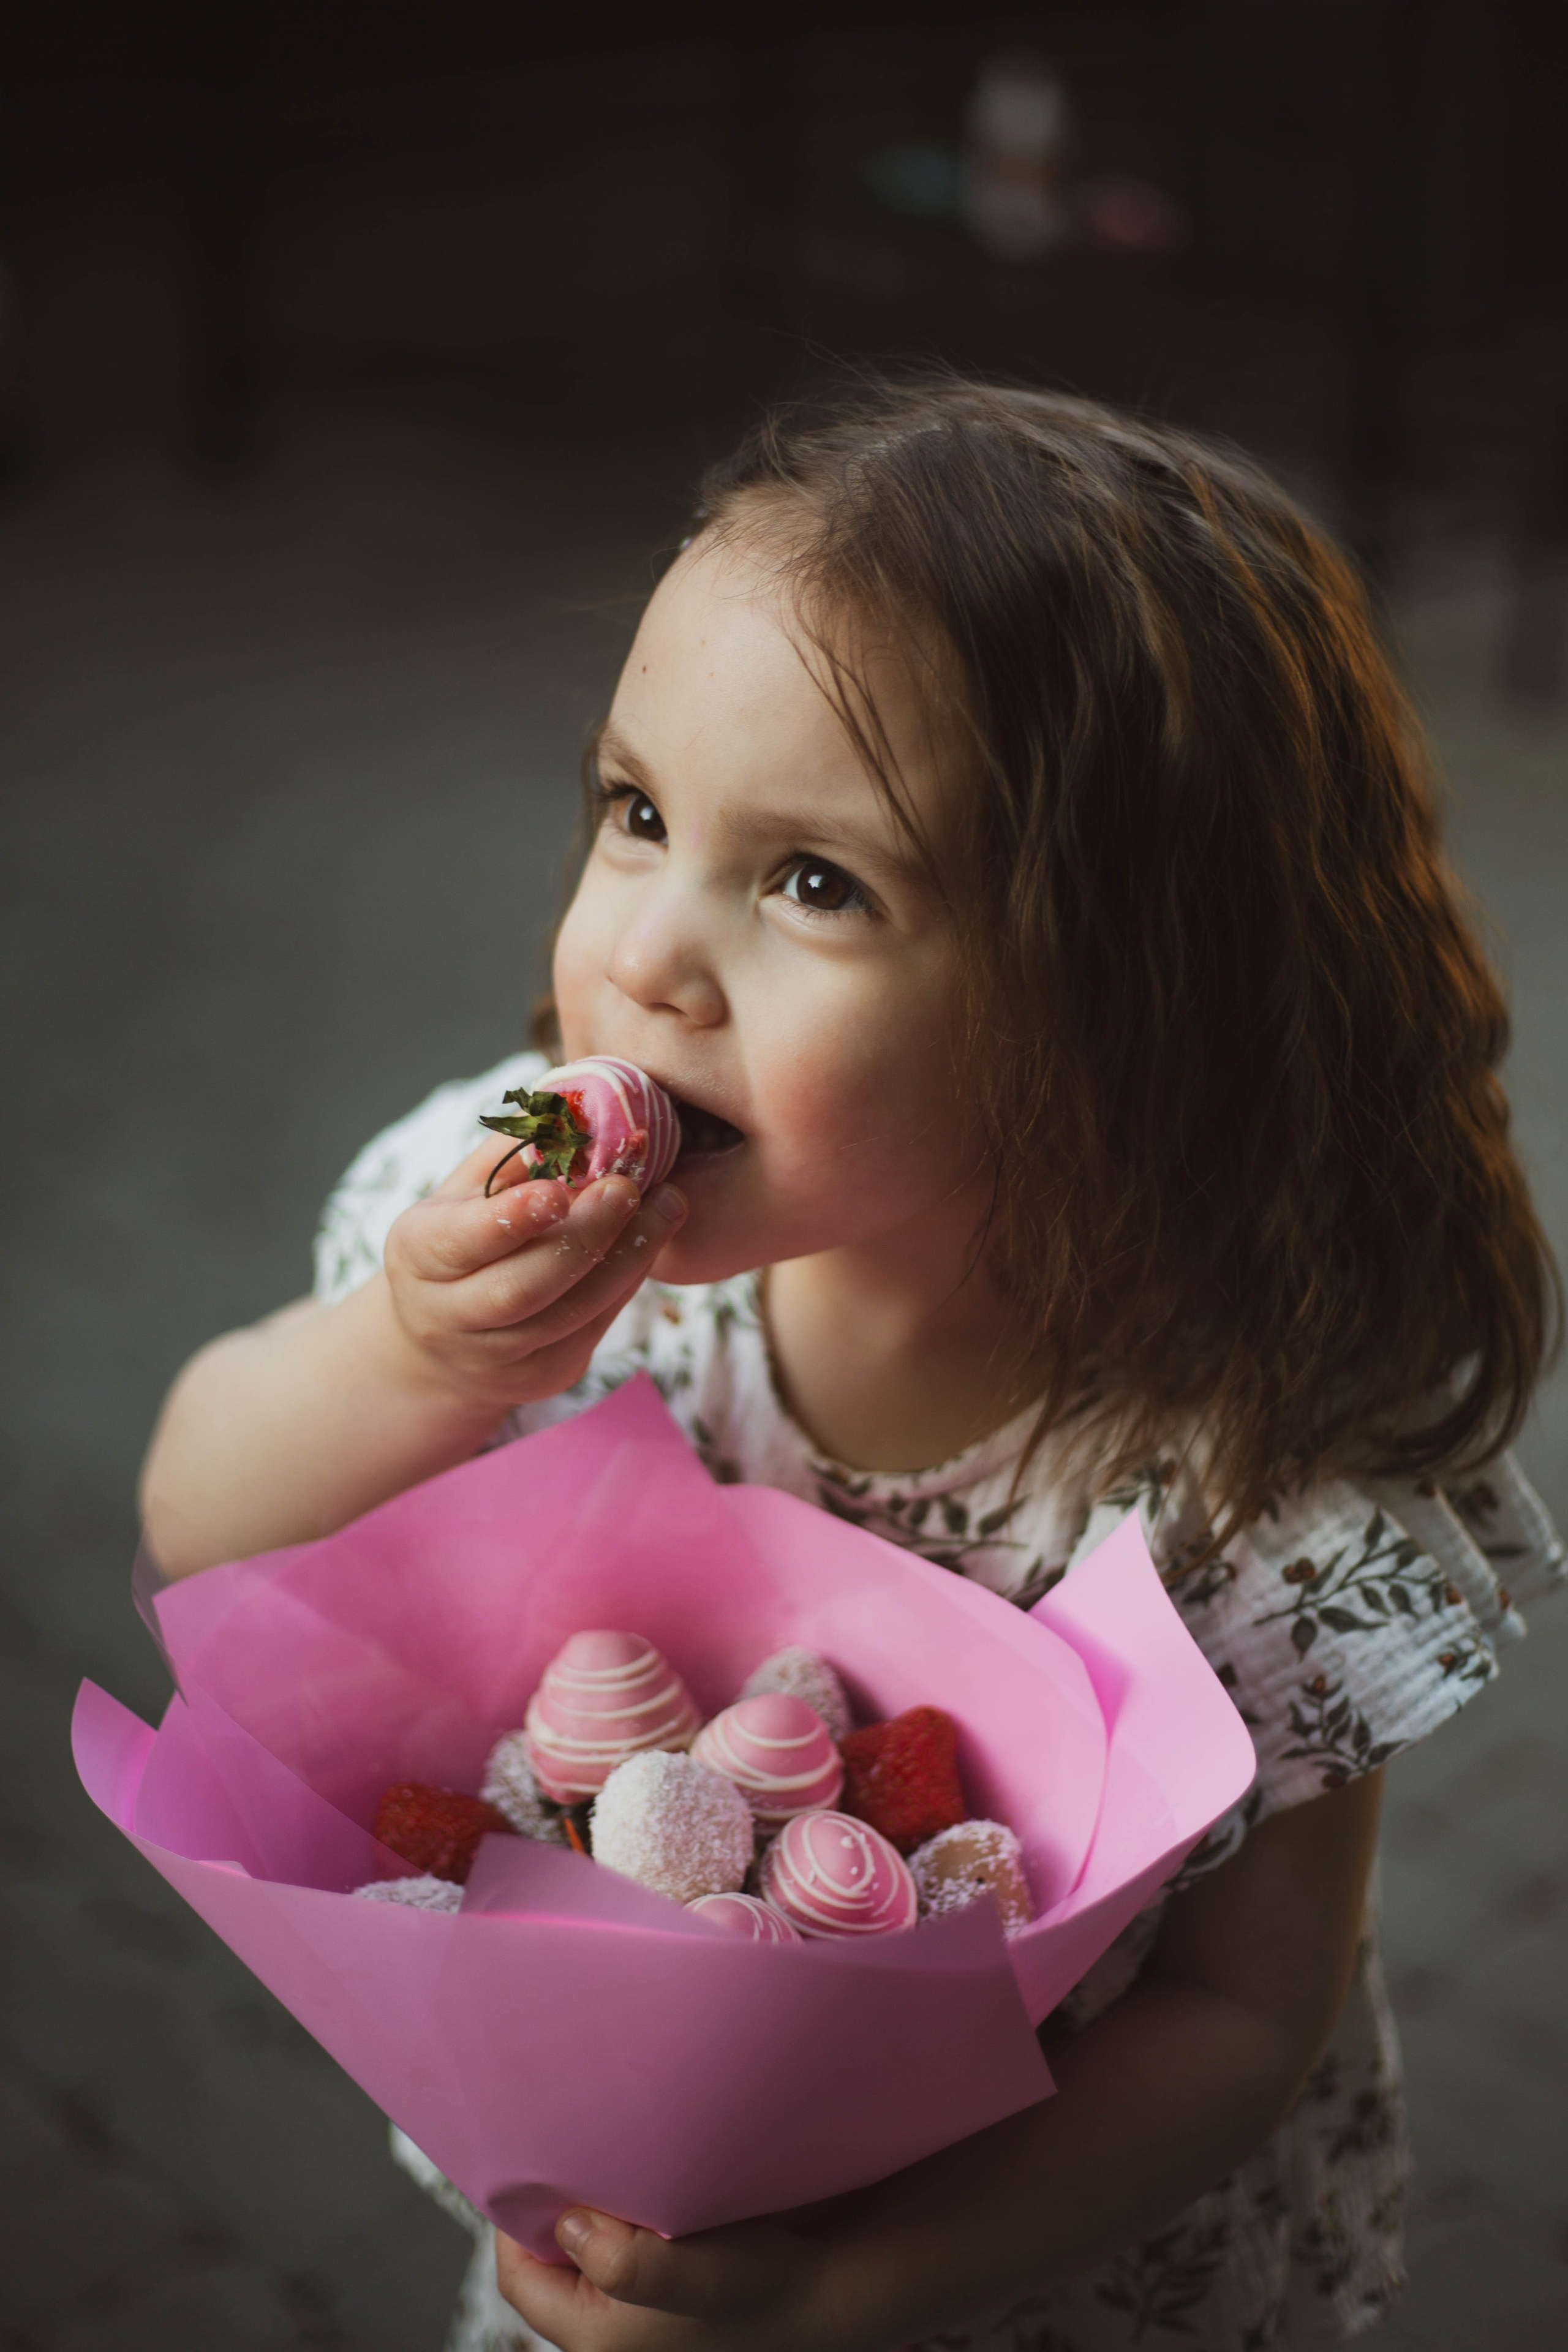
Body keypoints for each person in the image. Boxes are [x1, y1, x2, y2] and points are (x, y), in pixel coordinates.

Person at [141, 378, 1563, 2352]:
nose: (644, 951)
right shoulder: (497, 1238)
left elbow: (1246, 2007)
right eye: (638, 812)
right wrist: (410, 1351)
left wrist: (839, 2289)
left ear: (1120, 1009)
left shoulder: (1254, 1472)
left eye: (816, 882)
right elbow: (198, 1532)